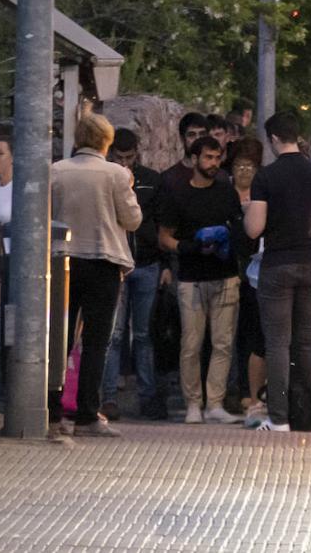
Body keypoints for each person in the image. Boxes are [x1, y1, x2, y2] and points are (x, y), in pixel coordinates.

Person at [51, 113, 142, 438]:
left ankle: (53, 411)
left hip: (64, 261)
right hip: (104, 262)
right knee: (96, 342)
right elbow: (132, 220)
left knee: (59, 338)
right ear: (107, 141)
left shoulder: (56, 171)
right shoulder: (117, 174)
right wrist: (129, 186)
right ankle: (88, 414)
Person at [245, 112, 311, 432]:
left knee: (277, 344)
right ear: (297, 136)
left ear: (273, 139)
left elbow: (254, 229)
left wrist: (251, 215)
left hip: (277, 266)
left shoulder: (265, 177)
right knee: (309, 343)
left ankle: (280, 417)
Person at [158, 136, 244, 425]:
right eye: (208, 158)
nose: (213, 164)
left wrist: (227, 240)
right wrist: (187, 246)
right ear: (194, 159)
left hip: (225, 275)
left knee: (222, 343)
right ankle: (193, 403)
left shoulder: (226, 192)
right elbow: (164, 237)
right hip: (191, 278)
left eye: (217, 158)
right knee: (191, 344)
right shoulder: (177, 194)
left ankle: (215, 403)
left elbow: (237, 228)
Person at [101, 128, 168, 420]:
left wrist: (165, 265)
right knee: (114, 335)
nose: (125, 163)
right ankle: (109, 397)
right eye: (120, 157)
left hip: (147, 261)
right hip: (118, 262)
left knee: (143, 334)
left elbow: (161, 223)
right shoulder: (106, 179)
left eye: (129, 157)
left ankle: (148, 395)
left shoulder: (152, 181)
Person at [229, 138, 268, 427]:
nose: (244, 171)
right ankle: (240, 391)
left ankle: (251, 392)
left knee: (252, 336)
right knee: (230, 337)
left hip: (255, 275)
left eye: (249, 166)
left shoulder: (263, 192)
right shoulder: (225, 193)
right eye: (239, 165)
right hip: (233, 270)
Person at [160, 112, 209, 194]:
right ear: (182, 138)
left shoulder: (219, 176)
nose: (198, 139)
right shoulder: (168, 179)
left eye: (202, 134)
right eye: (192, 135)